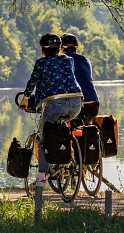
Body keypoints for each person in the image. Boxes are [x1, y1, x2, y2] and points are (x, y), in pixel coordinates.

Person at [19, 33, 83, 187]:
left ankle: (41, 179)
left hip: (55, 104)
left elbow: (33, 82)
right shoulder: (69, 60)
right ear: (60, 47)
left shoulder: (41, 63)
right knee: (62, 126)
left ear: (43, 49)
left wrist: (25, 99)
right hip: (76, 103)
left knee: (43, 139)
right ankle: (69, 157)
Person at [60, 33, 100, 125]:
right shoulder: (85, 60)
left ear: (61, 47)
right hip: (92, 104)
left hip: (74, 104)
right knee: (85, 127)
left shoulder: (61, 61)